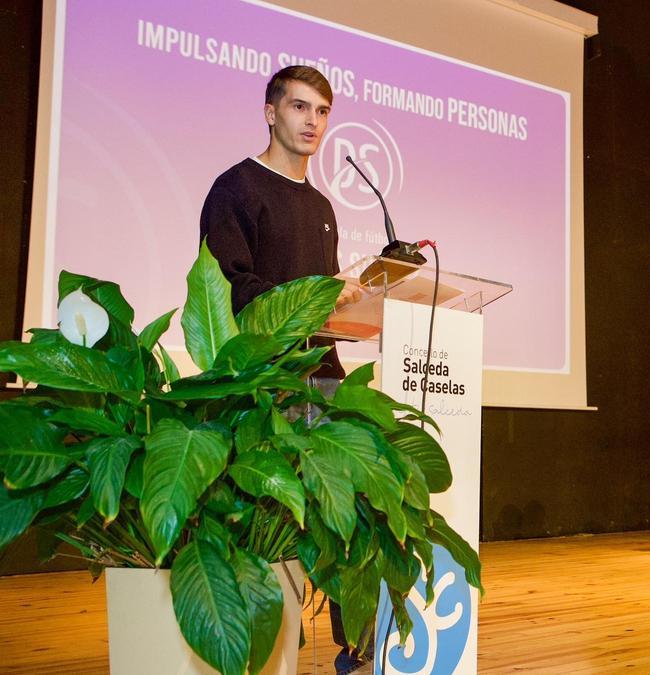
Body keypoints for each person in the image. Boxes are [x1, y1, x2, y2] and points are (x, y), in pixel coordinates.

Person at [199, 65, 364, 673]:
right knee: (274, 521)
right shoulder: (236, 189)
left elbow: (323, 298)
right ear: (271, 112)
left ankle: (356, 650)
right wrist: (318, 292)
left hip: (325, 375)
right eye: (299, 108)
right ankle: (260, 653)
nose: (311, 122)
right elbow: (231, 288)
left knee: (343, 509)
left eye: (322, 112)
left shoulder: (323, 206)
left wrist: (351, 298)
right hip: (266, 380)